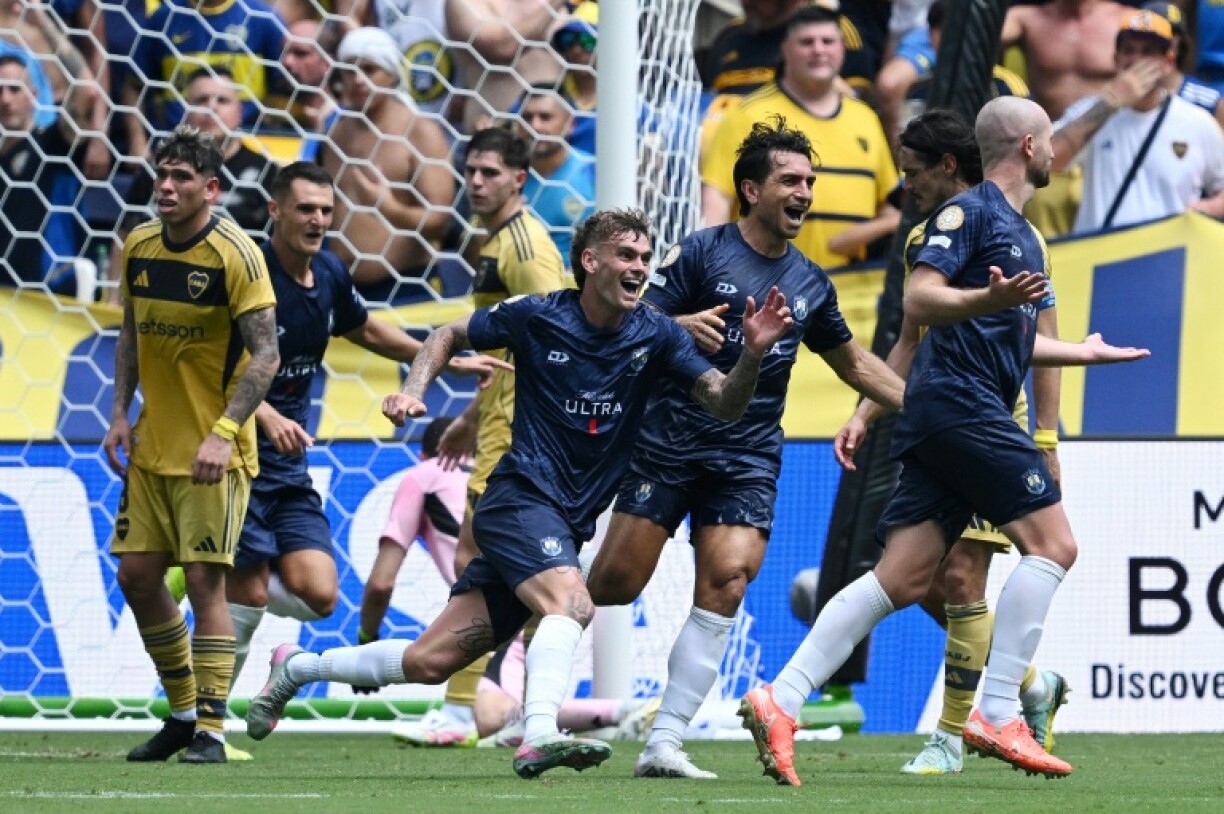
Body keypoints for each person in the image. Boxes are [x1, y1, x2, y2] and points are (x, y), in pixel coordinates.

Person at [245, 207, 794, 781]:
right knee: (573, 604)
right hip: (517, 501)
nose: (641, 267)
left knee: (432, 661)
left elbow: (724, 401)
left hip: (566, 520)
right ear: (590, 261)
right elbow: (449, 333)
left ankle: (298, 667)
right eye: (627, 255)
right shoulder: (538, 316)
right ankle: (538, 735)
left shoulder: (654, 333)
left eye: (644, 257)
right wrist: (415, 389)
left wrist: (752, 355)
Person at [736, 96, 1151, 786]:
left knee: (899, 577)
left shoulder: (1021, 232)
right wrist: (985, 304)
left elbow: (1011, 337)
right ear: (1025, 145)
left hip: (949, 412)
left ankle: (781, 699)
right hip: (963, 410)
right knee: (1055, 546)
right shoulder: (970, 215)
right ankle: (997, 708)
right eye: (1049, 140)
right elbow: (921, 305)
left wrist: (1082, 353)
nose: (1055, 153)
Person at [581, 117, 906, 780]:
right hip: (669, 442)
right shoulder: (702, 253)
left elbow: (852, 363)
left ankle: (664, 742)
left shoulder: (813, 282)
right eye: (791, 180)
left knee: (728, 579)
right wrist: (676, 324)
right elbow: (624, 321)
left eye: (810, 181)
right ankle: (532, 649)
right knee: (613, 585)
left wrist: (930, 409)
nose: (805, 192)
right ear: (752, 190)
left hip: (747, 454)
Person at [219, 162, 510, 704]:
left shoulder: (328, 271)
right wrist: (263, 414)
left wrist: (446, 359)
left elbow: (367, 329)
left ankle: (202, 581)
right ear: (275, 210)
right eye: (306, 208)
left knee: (320, 594)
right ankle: (210, 723)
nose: (318, 219)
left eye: (326, 210)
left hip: (288, 460)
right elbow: (209, 367)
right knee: (250, 591)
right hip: (235, 451)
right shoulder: (249, 273)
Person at [836, 108, 1066, 776]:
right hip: (942, 416)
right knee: (925, 583)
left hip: (991, 417)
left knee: (963, 575)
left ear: (946, 166)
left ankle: (950, 736)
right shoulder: (922, 242)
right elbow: (908, 340)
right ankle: (1028, 685)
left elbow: (1042, 347)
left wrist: (1045, 435)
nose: (907, 186)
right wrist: (863, 413)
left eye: (912, 173)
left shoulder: (1020, 235)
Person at [387, 125, 571, 748]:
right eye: (471, 171)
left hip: (522, 429)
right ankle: (504, 704)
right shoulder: (488, 239)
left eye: (490, 172)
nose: (476, 182)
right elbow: (508, 342)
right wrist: (470, 414)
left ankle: (467, 708)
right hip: (500, 418)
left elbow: (556, 340)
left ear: (520, 179)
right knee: (500, 567)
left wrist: (517, 421)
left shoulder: (526, 249)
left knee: (478, 559)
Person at [103, 125, 281, 764]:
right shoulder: (141, 243)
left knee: (205, 583)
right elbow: (129, 332)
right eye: (162, 174)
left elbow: (266, 355)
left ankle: (211, 728)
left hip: (215, 454)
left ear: (211, 189)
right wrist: (120, 413)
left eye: (182, 178)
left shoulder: (236, 254)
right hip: (152, 447)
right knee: (137, 576)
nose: (167, 187)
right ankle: (181, 714)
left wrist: (225, 432)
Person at [358, 417, 659, 746]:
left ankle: (629, 711)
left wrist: (366, 635)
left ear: (423, 454)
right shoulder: (508, 475)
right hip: (547, 601)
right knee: (499, 709)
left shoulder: (422, 478)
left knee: (487, 716)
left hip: (505, 613)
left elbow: (380, 583)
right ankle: (616, 715)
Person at [701, 5, 899, 269]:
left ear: (842, 49)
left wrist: (857, 237)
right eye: (807, 42)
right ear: (784, 50)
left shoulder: (866, 119)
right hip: (767, 285)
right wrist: (718, 267)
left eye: (827, 42)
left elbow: (887, 206)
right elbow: (717, 199)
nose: (818, 50)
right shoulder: (746, 115)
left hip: (849, 290)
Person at [1052, 8, 1224, 234]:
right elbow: (1049, 161)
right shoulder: (1091, 111)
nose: (1136, 60)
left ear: (1168, 62)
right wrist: (1110, 103)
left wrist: (1204, 208)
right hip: (1100, 256)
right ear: (1116, 58)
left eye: (1149, 51)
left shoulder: (1197, 121)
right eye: (1129, 50)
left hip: (1168, 257)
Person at [319, 26, 454, 303]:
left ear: (391, 74)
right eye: (349, 70)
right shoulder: (336, 133)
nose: (358, 79)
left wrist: (387, 206)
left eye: (369, 69)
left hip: (408, 288)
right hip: (344, 291)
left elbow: (441, 220)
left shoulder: (419, 131)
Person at [1000, 0, 1129, 238]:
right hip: (1051, 155)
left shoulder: (1127, 20)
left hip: (1108, 152)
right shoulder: (1026, 18)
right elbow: (966, 42)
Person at [122, 68, 279, 245]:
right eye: (201, 100)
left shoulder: (264, 170)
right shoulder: (157, 169)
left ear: (240, 111)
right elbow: (125, 236)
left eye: (222, 100)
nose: (211, 108)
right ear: (186, 110)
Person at [0, 52, 91, 290]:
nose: (5, 99)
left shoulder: (51, 143)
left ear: (34, 94)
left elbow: (85, 91)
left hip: (48, 291)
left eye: (14, 89)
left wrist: (44, 25)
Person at [515, 84, 596, 265]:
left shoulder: (593, 171)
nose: (535, 126)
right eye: (527, 118)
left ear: (570, 124)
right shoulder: (508, 176)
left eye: (545, 117)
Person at [1139, 2, 1224, 127]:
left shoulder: (1211, 101)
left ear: (1179, 43)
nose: (1159, 41)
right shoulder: (1121, 95)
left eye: (1169, 33)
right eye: (1147, 35)